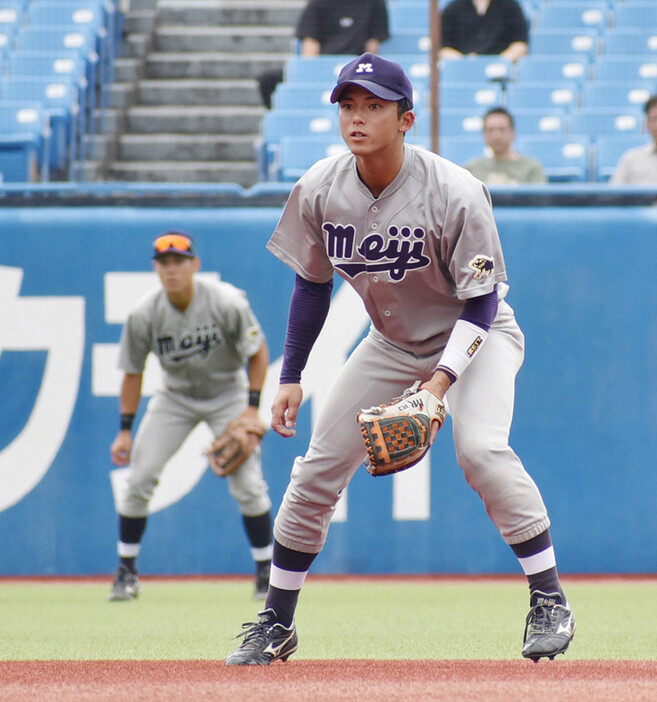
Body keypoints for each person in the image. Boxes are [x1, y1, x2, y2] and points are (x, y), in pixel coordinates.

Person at [225, 53, 575, 666]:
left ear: (406, 118)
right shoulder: (319, 188)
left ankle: (548, 599)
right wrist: (290, 376)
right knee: (315, 471)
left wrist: (437, 386)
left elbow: (482, 303)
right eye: (348, 106)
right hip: (391, 344)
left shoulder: (457, 192)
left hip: (476, 336)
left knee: (481, 450)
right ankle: (277, 622)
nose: (357, 118)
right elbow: (312, 285)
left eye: (374, 106)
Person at [108, 231, 274, 603]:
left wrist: (251, 408)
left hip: (227, 394)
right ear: (155, 268)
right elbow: (132, 373)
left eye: (179, 261)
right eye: (164, 263)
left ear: (195, 265)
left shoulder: (226, 301)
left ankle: (267, 570)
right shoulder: (144, 314)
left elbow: (257, 351)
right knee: (139, 478)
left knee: (247, 484)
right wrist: (124, 431)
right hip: (175, 397)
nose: (172, 270)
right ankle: (126, 571)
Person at [258, 0, 390, 110]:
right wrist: (313, 74)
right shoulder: (319, 2)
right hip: (321, 68)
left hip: (355, 71)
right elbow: (310, 46)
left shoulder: (375, 3)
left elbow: (371, 50)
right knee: (268, 80)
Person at [465, 107, 547, 185]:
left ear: (513, 132)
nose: (496, 136)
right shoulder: (472, 169)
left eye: (502, 129)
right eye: (490, 130)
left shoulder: (531, 169)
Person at [440, 0, 529, 62]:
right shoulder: (452, 9)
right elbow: (443, 48)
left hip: (500, 73)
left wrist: (499, 62)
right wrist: (465, 63)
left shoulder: (511, 7)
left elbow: (520, 45)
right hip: (461, 72)